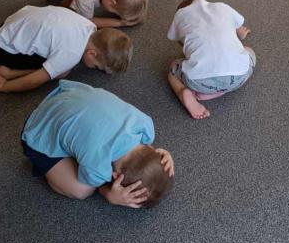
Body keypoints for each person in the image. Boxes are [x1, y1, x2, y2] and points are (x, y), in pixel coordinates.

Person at [21, 80, 174, 208]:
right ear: (115, 176)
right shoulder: (98, 169)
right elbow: (99, 184)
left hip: (68, 95)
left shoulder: (146, 125)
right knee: (82, 190)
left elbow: (147, 150)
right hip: (37, 130)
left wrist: (156, 159)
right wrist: (108, 194)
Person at [0, 5, 132, 93]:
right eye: (96, 66)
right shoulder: (71, 54)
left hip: (8, 25)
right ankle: (7, 72)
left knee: (59, 61)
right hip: (3, 49)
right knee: (61, 72)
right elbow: (34, 81)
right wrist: (4, 87)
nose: (93, 69)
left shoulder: (89, 26)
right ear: (91, 53)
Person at [166, 0, 256, 120]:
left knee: (173, 70)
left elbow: (175, 38)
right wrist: (240, 35)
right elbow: (239, 28)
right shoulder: (223, 7)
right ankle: (220, 91)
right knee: (249, 51)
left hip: (199, 82)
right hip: (238, 77)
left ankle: (183, 92)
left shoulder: (180, 16)